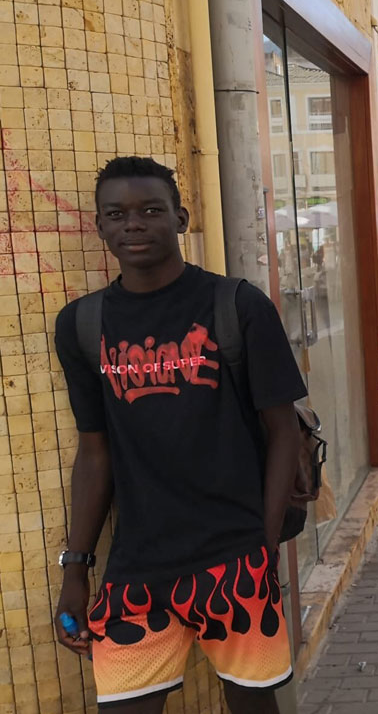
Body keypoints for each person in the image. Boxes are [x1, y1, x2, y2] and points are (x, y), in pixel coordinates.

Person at [53, 156, 308, 713]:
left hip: (235, 558)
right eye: (116, 214)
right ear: (100, 227)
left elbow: (283, 431)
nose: (134, 224)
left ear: (181, 217)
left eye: (151, 210)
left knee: (254, 707)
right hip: (137, 569)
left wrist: (261, 548)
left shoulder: (236, 306)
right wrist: (77, 567)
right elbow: (94, 452)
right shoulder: (81, 325)